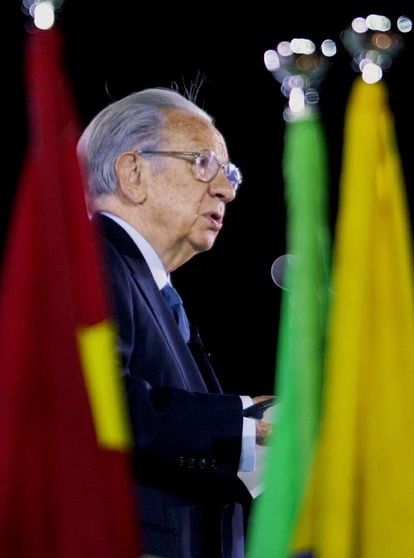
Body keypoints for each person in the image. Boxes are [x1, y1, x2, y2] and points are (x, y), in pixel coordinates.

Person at [77, 86, 272, 558]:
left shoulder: (152, 286)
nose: (225, 188)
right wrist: (246, 425)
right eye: (204, 163)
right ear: (134, 173)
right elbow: (98, 404)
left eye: (230, 174)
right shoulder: (93, 259)